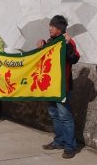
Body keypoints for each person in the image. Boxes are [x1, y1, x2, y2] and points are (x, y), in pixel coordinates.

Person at [39, 15, 80, 159]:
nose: (50, 28)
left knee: (65, 116)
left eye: (52, 26)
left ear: (60, 28)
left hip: (63, 86)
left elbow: (74, 58)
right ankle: (59, 141)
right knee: (54, 114)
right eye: (50, 25)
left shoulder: (68, 41)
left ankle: (70, 147)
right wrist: (42, 46)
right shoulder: (51, 41)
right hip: (50, 86)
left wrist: (68, 44)